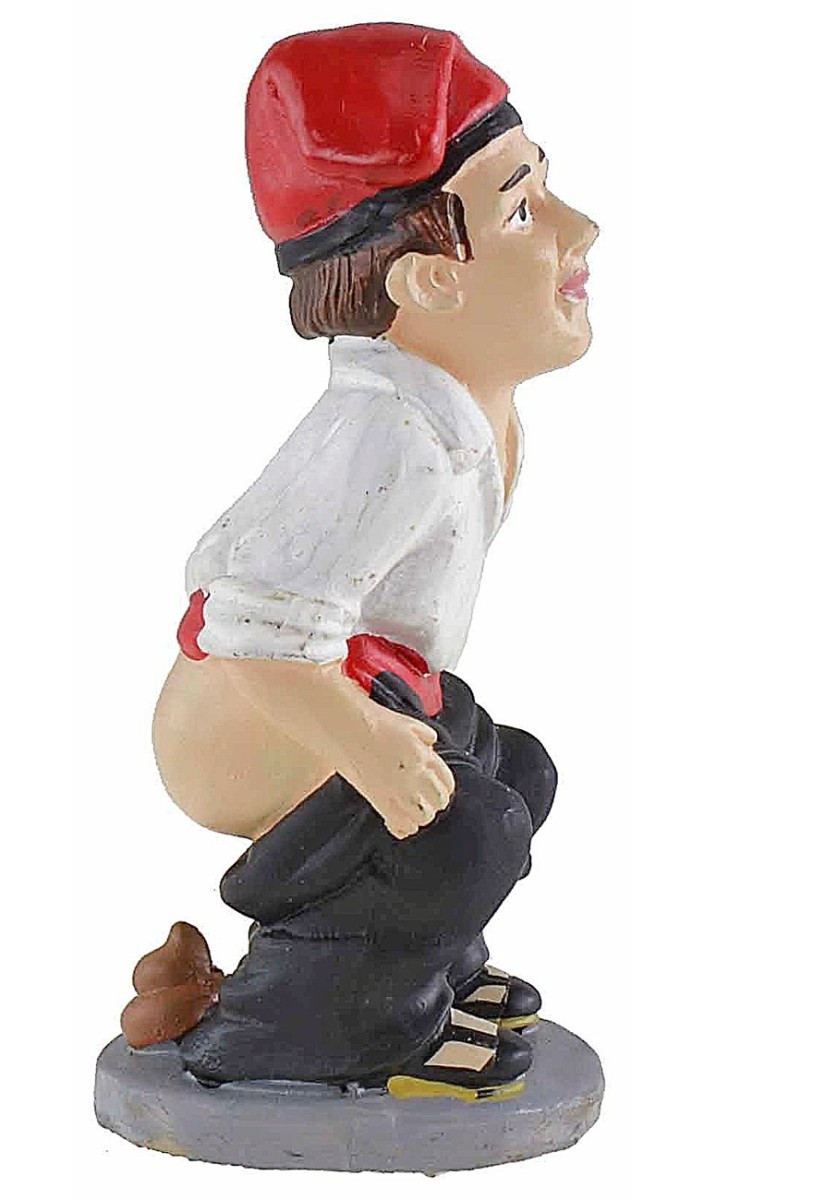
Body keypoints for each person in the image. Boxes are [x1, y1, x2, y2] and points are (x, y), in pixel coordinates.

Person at [150, 22, 598, 1101]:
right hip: (257, 721)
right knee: (462, 833)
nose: (581, 229)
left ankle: (422, 972)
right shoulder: (389, 437)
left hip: (361, 682)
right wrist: (370, 753)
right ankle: (311, 1025)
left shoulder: (470, 414)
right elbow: (249, 623)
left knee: (515, 775)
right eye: (524, 210)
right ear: (431, 282)